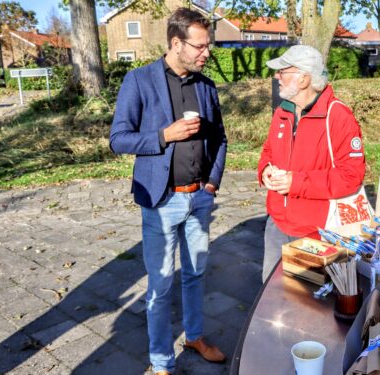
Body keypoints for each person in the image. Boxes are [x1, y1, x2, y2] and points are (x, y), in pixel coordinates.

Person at [109, 8, 227, 375]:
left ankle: (194, 335)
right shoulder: (139, 80)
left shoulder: (205, 86)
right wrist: (164, 136)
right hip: (161, 200)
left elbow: (220, 137)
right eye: (200, 46)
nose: (207, 53)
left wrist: (212, 182)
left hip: (200, 197)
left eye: (209, 46)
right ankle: (161, 361)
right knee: (160, 285)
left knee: (195, 274)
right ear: (176, 43)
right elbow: (118, 139)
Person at [258, 45, 366, 282]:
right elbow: (268, 150)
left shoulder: (338, 116)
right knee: (270, 302)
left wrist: (296, 183)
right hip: (276, 224)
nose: (277, 77)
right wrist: (265, 169)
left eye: (282, 71)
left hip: (316, 233)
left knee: (306, 306)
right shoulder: (282, 113)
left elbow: (351, 176)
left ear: (304, 78)